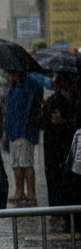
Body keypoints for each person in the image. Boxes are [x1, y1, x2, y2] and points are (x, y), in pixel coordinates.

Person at [4, 67, 51, 206]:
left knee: (26, 163)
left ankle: (31, 194)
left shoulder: (30, 84)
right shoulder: (13, 89)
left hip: (25, 131)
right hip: (14, 132)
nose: (7, 78)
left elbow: (31, 106)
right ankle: (19, 192)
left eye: (8, 74)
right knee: (16, 164)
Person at [42, 71, 80, 225]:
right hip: (56, 147)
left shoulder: (72, 102)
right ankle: (60, 210)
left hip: (64, 147)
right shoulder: (55, 101)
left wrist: (64, 121)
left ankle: (63, 211)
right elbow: (44, 123)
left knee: (63, 179)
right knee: (56, 177)